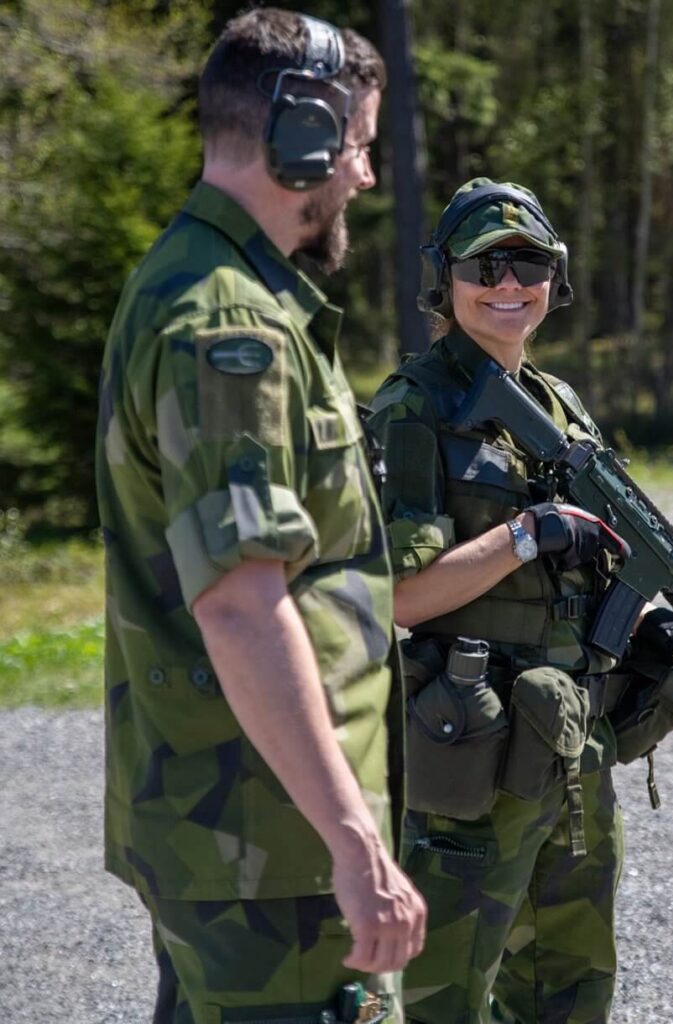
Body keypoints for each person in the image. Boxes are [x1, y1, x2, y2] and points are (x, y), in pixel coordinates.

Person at [95, 10, 425, 1023]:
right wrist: (355, 842)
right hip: (272, 852)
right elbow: (242, 607)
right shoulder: (229, 322)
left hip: (246, 833)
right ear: (303, 142)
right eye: (359, 147)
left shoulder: (216, 286)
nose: (364, 177)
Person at [368, 179, 632, 1024]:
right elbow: (400, 596)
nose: (510, 282)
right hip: (470, 748)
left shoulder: (565, 406)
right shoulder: (416, 408)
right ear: (444, 279)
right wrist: (529, 533)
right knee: (443, 995)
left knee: (571, 986)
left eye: (531, 262)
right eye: (487, 264)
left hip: (569, 744)